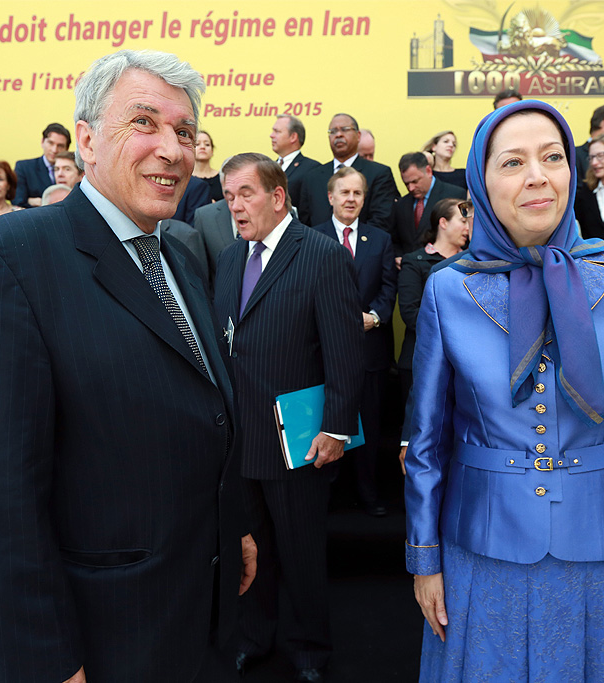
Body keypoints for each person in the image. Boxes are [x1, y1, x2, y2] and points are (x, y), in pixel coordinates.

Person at [0, 49, 255, 682]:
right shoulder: (7, 258)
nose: (173, 150)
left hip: (191, 617)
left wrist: (232, 528)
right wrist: (43, 661)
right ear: (85, 140)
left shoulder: (179, 258)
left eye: (185, 131)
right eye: (144, 122)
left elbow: (199, 408)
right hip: (96, 636)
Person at [405, 101, 604, 682]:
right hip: (482, 553)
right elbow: (425, 442)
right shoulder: (448, 291)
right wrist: (424, 560)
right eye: (513, 162)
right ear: (481, 184)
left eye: (553, 157)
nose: (538, 176)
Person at [213, 153, 363, 683]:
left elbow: (345, 350)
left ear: (277, 197)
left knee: (300, 553)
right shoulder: (229, 258)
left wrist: (336, 427)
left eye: (245, 194)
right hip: (240, 441)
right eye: (228, 196)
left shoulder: (321, 254)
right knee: (250, 548)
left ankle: (309, 649)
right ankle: (255, 637)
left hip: (298, 440)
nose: (235, 206)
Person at [314, 167, 397, 517]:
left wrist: (374, 317)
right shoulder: (311, 237)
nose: (351, 199)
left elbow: (389, 287)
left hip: (369, 350)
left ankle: (367, 493)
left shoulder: (380, 239)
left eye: (357, 193)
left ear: (364, 199)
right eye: (344, 192)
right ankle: (327, 493)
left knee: (370, 427)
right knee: (326, 423)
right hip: (323, 353)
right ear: (330, 197)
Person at [397, 197, 470, 409]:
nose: (468, 227)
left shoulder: (475, 262)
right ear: (443, 222)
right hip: (422, 359)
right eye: (462, 221)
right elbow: (410, 312)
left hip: (465, 361)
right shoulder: (415, 261)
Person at [296, 113, 396, 230]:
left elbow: (381, 220)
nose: (338, 134)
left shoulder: (379, 173)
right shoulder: (312, 177)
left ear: (358, 135)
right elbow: (305, 223)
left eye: (345, 129)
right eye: (333, 131)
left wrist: (349, 238)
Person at [390, 152, 466, 260]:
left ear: (429, 171)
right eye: (406, 184)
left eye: (415, 181)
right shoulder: (401, 204)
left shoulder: (455, 195)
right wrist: (398, 256)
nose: (411, 188)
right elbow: (396, 239)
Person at [13, 122, 71, 207]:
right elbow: (17, 201)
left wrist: (32, 200)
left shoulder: (75, 169)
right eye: (50, 143)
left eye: (60, 146)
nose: (54, 150)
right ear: (42, 142)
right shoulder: (24, 168)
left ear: (67, 148)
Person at [271, 114, 321, 207]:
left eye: (277, 132)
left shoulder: (312, 168)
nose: (271, 135)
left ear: (293, 137)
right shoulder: (268, 168)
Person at [193, 130, 224, 202]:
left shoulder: (222, 178)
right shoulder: (185, 179)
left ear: (212, 151)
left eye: (207, 144)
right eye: (197, 144)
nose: (202, 147)